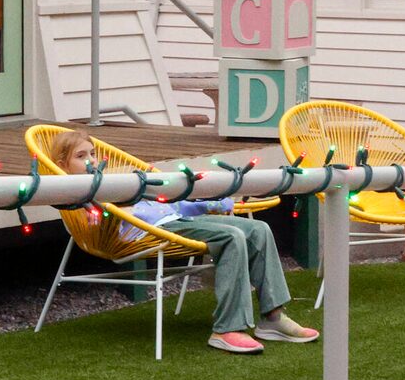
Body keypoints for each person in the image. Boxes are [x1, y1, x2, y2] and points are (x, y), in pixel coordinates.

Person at [50, 131, 317, 355]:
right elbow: (98, 221)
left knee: (259, 229)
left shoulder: (114, 180)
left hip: (175, 220)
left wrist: (214, 202)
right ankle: (227, 329)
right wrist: (101, 205)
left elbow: (170, 203)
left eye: (92, 154)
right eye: (81, 156)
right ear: (63, 163)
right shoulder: (78, 191)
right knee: (232, 237)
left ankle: (273, 317)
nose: (91, 161)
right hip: (152, 231)